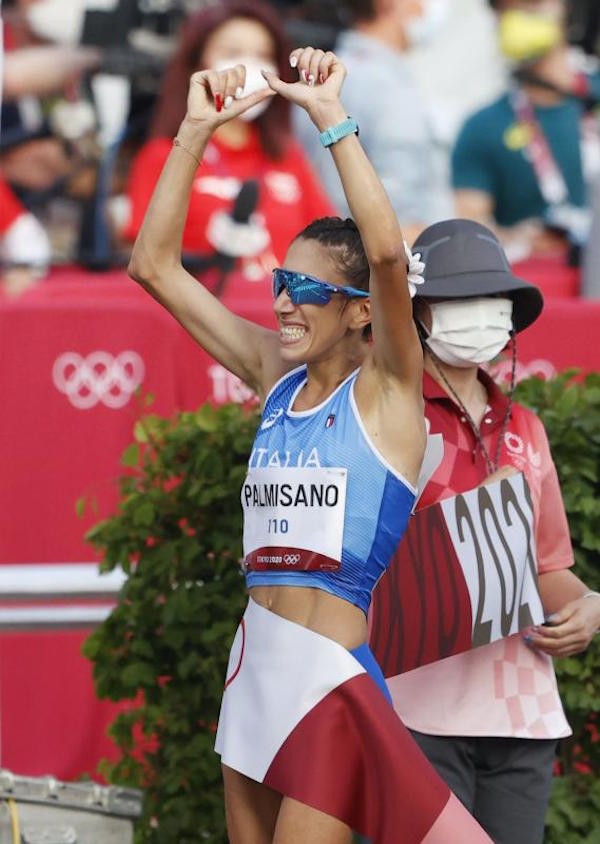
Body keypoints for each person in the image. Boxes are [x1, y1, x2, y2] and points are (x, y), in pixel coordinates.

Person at [128, 43, 493, 843]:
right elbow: (152, 266)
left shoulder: (390, 390)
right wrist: (192, 131)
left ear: (362, 311)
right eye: (279, 285)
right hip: (253, 669)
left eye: (308, 290)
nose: (285, 303)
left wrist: (332, 121)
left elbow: (390, 253)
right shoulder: (275, 373)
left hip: (328, 684)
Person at [388, 218, 600, 844]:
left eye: (492, 301)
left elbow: (548, 566)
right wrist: (460, 527)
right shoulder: (388, 411)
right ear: (419, 310)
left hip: (522, 711)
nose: (478, 315)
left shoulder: (526, 427)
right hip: (413, 706)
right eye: (458, 301)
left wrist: (588, 607)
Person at [124, 0, 334, 282]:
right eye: (232, 52)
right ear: (196, 64)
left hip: (284, 317)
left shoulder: (288, 156)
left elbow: (331, 248)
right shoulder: (164, 156)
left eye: (263, 54)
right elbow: (144, 263)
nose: (249, 66)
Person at [453, 0, 600, 262]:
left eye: (533, 3)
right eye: (508, 8)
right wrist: (517, 240)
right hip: (543, 291)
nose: (519, 15)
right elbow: (470, 235)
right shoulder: (481, 127)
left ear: (567, 7)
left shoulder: (593, 95)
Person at [294, 0, 452, 243]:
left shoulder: (340, 72)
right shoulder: (380, 83)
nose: (428, 6)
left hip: (341, 255)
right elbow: (404, 212)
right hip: (394, 264)